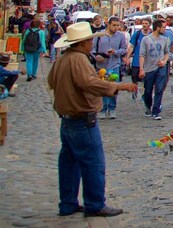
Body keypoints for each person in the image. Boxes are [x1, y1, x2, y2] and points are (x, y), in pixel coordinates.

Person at [48, 22, 137, 217]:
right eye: (90, 41)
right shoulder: (79, 60)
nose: (91, 44)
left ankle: (68, 203)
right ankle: (95, 204)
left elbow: (51, 82)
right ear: (83, 43)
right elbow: (88, 83)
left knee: (69, 163)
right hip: (82, 118)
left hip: (68, 119)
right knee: (93, 163)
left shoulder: (63, 59)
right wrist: (119, 87)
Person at [92, 17, 128, 119]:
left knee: (114, 87)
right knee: (102, 87)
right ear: (108, 24)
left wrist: (116, 52)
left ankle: (112, 108)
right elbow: (92, 49)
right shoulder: (99, 35)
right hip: (101, 66)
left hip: (114, 64)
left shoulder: (121, 36)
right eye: (114, 25)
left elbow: (124, 49)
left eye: (118, 25)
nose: (116, 27)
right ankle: (103, 109)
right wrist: (96, 57)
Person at [139, 19, 171, 120]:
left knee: (159, 90)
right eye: (163, 27)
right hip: (149, 68)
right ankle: (148, 106)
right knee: (148, 91)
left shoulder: (165, 39)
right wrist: (141, 68)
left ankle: (156, 111)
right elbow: (142, 55)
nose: (165, 29)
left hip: (161, 67)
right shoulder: (146, 39)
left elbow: (167, 52)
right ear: (158, 28)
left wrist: (165, 61)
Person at [20, 18, 47, 82]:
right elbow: (43, 42)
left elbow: (24, 39)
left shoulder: (28, 31)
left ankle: (29, 75)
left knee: (29, 61)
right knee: (35, 61)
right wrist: (44, 50)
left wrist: (22, 47)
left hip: (28, 48)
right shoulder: (41, 32)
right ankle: (33, 74)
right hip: (37, 49)